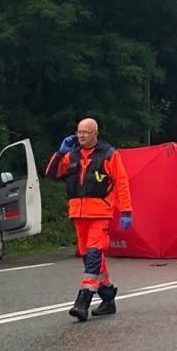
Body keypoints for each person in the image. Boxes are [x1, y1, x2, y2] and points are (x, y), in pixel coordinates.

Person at [44, 118, 133, 321]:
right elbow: (51, 174)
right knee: (89, 256)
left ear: (96, 134)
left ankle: (82, 301)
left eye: (85, 132)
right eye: (78, 132)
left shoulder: (110, 155)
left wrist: (126, 211)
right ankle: (108, 297)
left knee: (93, 253)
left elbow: (122, 183)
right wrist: (59, 153)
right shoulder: (72, 154)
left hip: (100, 214)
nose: (81, 136)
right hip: (78, 214)